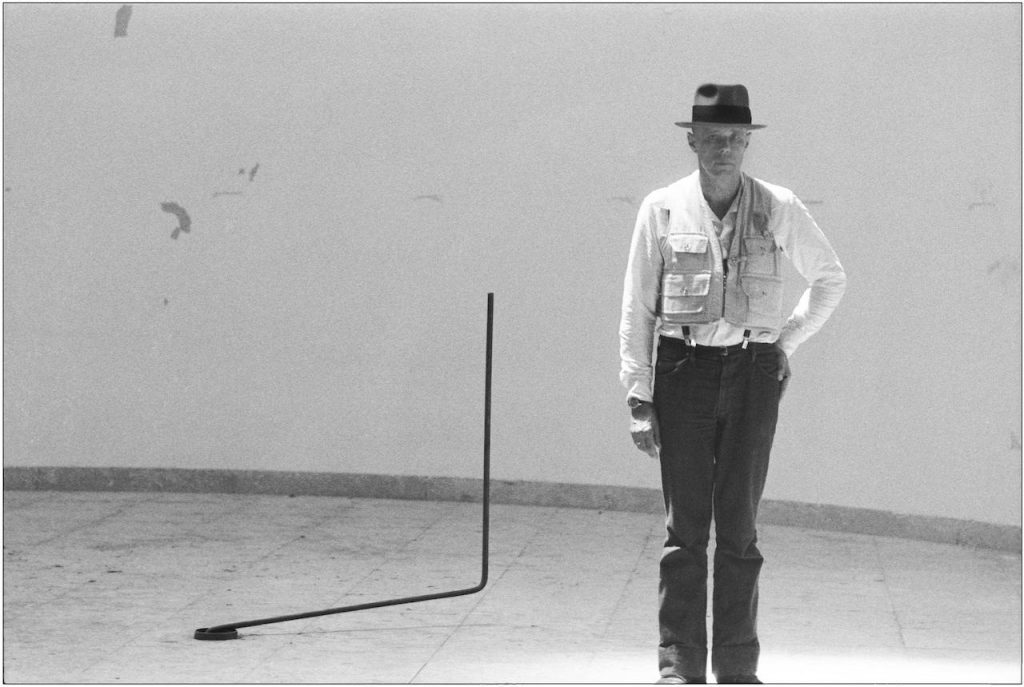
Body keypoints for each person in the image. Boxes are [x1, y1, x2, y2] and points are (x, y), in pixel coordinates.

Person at [618, 83, 847, 684]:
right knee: (685, 529)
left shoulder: (777, 206)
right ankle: (678, 663)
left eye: (736, 139)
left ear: (748, 142)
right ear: (692, 140)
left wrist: (782, 342)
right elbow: (639, 307)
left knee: (740, 529)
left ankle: (739, 667)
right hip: (682, 369)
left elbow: (830, 279)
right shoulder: (663, 207)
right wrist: (639, 396)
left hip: (751, 374)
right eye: (714, 138)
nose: (725, 149)